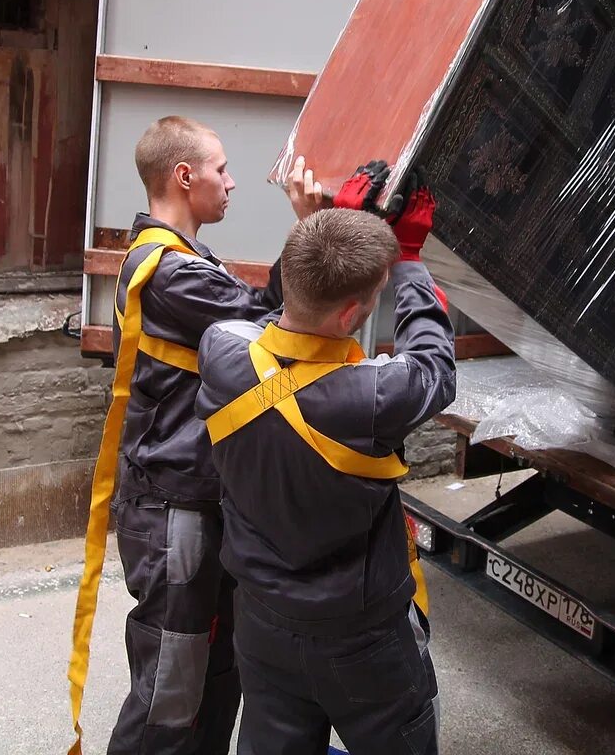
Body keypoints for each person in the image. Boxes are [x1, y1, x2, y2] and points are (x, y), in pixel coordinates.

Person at [68, 116, 323, 755]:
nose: (231, 183)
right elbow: (271, 322)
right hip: (172, 503)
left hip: (197, 494)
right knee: (172, 687)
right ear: (185, 177)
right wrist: (310, 229)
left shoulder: (184, 262)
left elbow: (254, 311)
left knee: (214, 670)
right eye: (221, 169)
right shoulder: (170, 273)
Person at [195, 161, 456, 755]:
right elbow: (434, 367)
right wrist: (409, 256)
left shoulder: (220, 351)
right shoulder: (373, 396)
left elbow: (271, 324)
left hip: (261, 623)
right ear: (352, 316)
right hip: (363, 641)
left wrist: (325, 234)